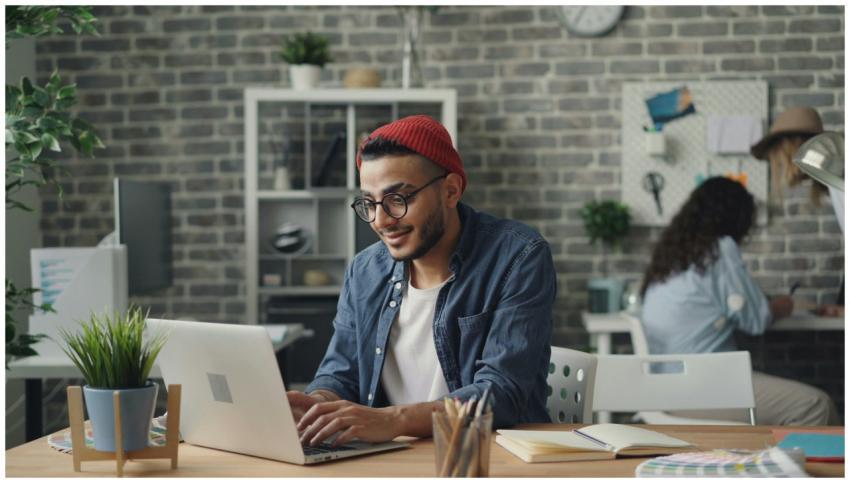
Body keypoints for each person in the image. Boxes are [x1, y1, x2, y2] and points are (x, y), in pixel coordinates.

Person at [287, 115, 557, 446]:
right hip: (389, 460)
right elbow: (340, 373)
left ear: (451, 190)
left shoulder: (517, 256)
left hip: (487, 457)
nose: (381, 220)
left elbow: (502, 392)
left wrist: (392, 419)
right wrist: (318, 405)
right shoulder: (364, 270)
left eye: (398, 199)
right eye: (369, 203)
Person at [640, 177, 839, 426]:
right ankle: (791, 465)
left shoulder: (672, 257)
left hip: (665, 387)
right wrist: (784, 305)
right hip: (700, 388)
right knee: (815, 406)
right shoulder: (720, 249)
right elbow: (756, 319)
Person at [750, 106, 844, 316]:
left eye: (777, 156)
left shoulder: (840, 180)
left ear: (790, 147)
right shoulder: (832, 182)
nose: (779, 166)